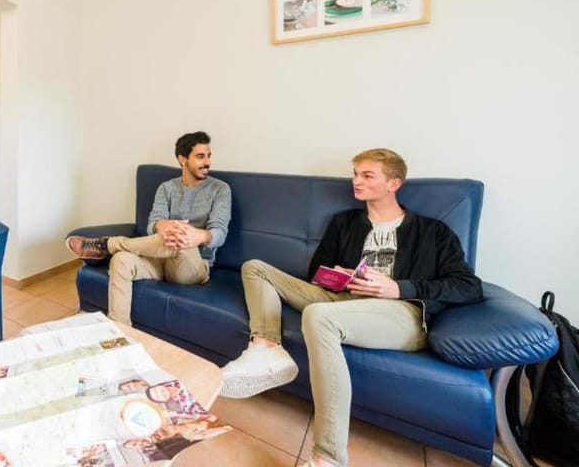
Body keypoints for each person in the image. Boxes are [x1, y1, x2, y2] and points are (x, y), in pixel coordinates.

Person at [219, 148, 483, 467]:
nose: (355, 181)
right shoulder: (345, 222)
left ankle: (328, 458)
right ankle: (266, 348)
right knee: (255, 267)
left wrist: (399, 287)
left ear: (394, 183)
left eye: (366, 175)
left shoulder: (432, 232)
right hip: (341, 298)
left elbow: (468, 286)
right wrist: (339, 277)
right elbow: (318, 270)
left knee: (319, 317)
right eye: (355, 173)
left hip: (399, 312)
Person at [65, 131, 231, 326]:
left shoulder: (220, 189)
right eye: (200, 156)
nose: (207, 162)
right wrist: (163, 225)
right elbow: (153, 222)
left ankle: (107, 245)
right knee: (121, 261)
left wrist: (199, 236)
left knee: (178, 237)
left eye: (208, 156)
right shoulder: (166, 188)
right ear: (182, 159)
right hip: (160, 260)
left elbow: (220, 233)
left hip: (195, 265)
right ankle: (120, 333)